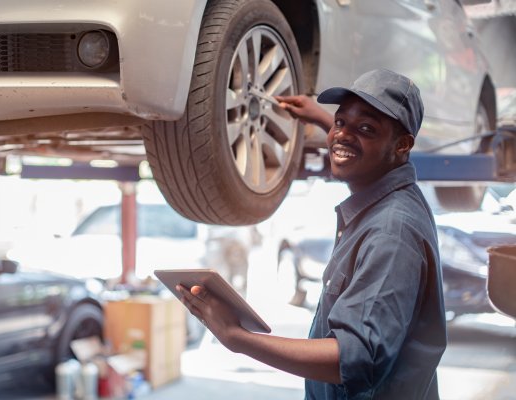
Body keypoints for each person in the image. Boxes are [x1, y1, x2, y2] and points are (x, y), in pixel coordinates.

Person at [177, 68, 447, 399]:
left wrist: (237, 339)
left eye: (365, 128)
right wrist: (324, 119)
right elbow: (353, 140)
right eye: (339, 122)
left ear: (403, 145)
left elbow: (355, 359)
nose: (342, 135)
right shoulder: (384, 200)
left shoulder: (391, 232)